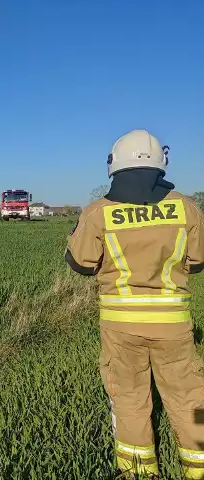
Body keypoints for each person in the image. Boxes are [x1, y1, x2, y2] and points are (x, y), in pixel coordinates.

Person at [66, 129, 204, 479]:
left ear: (114, 165)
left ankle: (139, 473)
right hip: (174, 326)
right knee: (189, 398)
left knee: (129, 400)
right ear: (161, 164)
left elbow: (81, 264)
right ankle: (198, 468)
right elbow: (199, 261)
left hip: (121, 328)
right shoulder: (186, 207)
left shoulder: (99, 212)